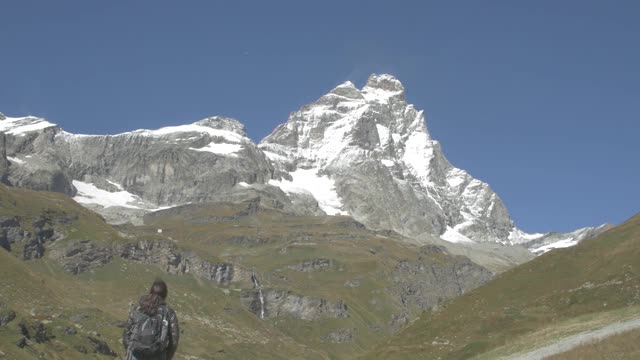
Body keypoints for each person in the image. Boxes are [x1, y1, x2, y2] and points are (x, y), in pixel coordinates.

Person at [123, 279, 179, 360]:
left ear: (150, 291)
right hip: (157, 355)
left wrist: (129, 348)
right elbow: (174, 340)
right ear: (165, 294)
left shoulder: (139, 307)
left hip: (135, 353)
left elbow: (127, 331)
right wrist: (167, 356)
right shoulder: (168, 312)